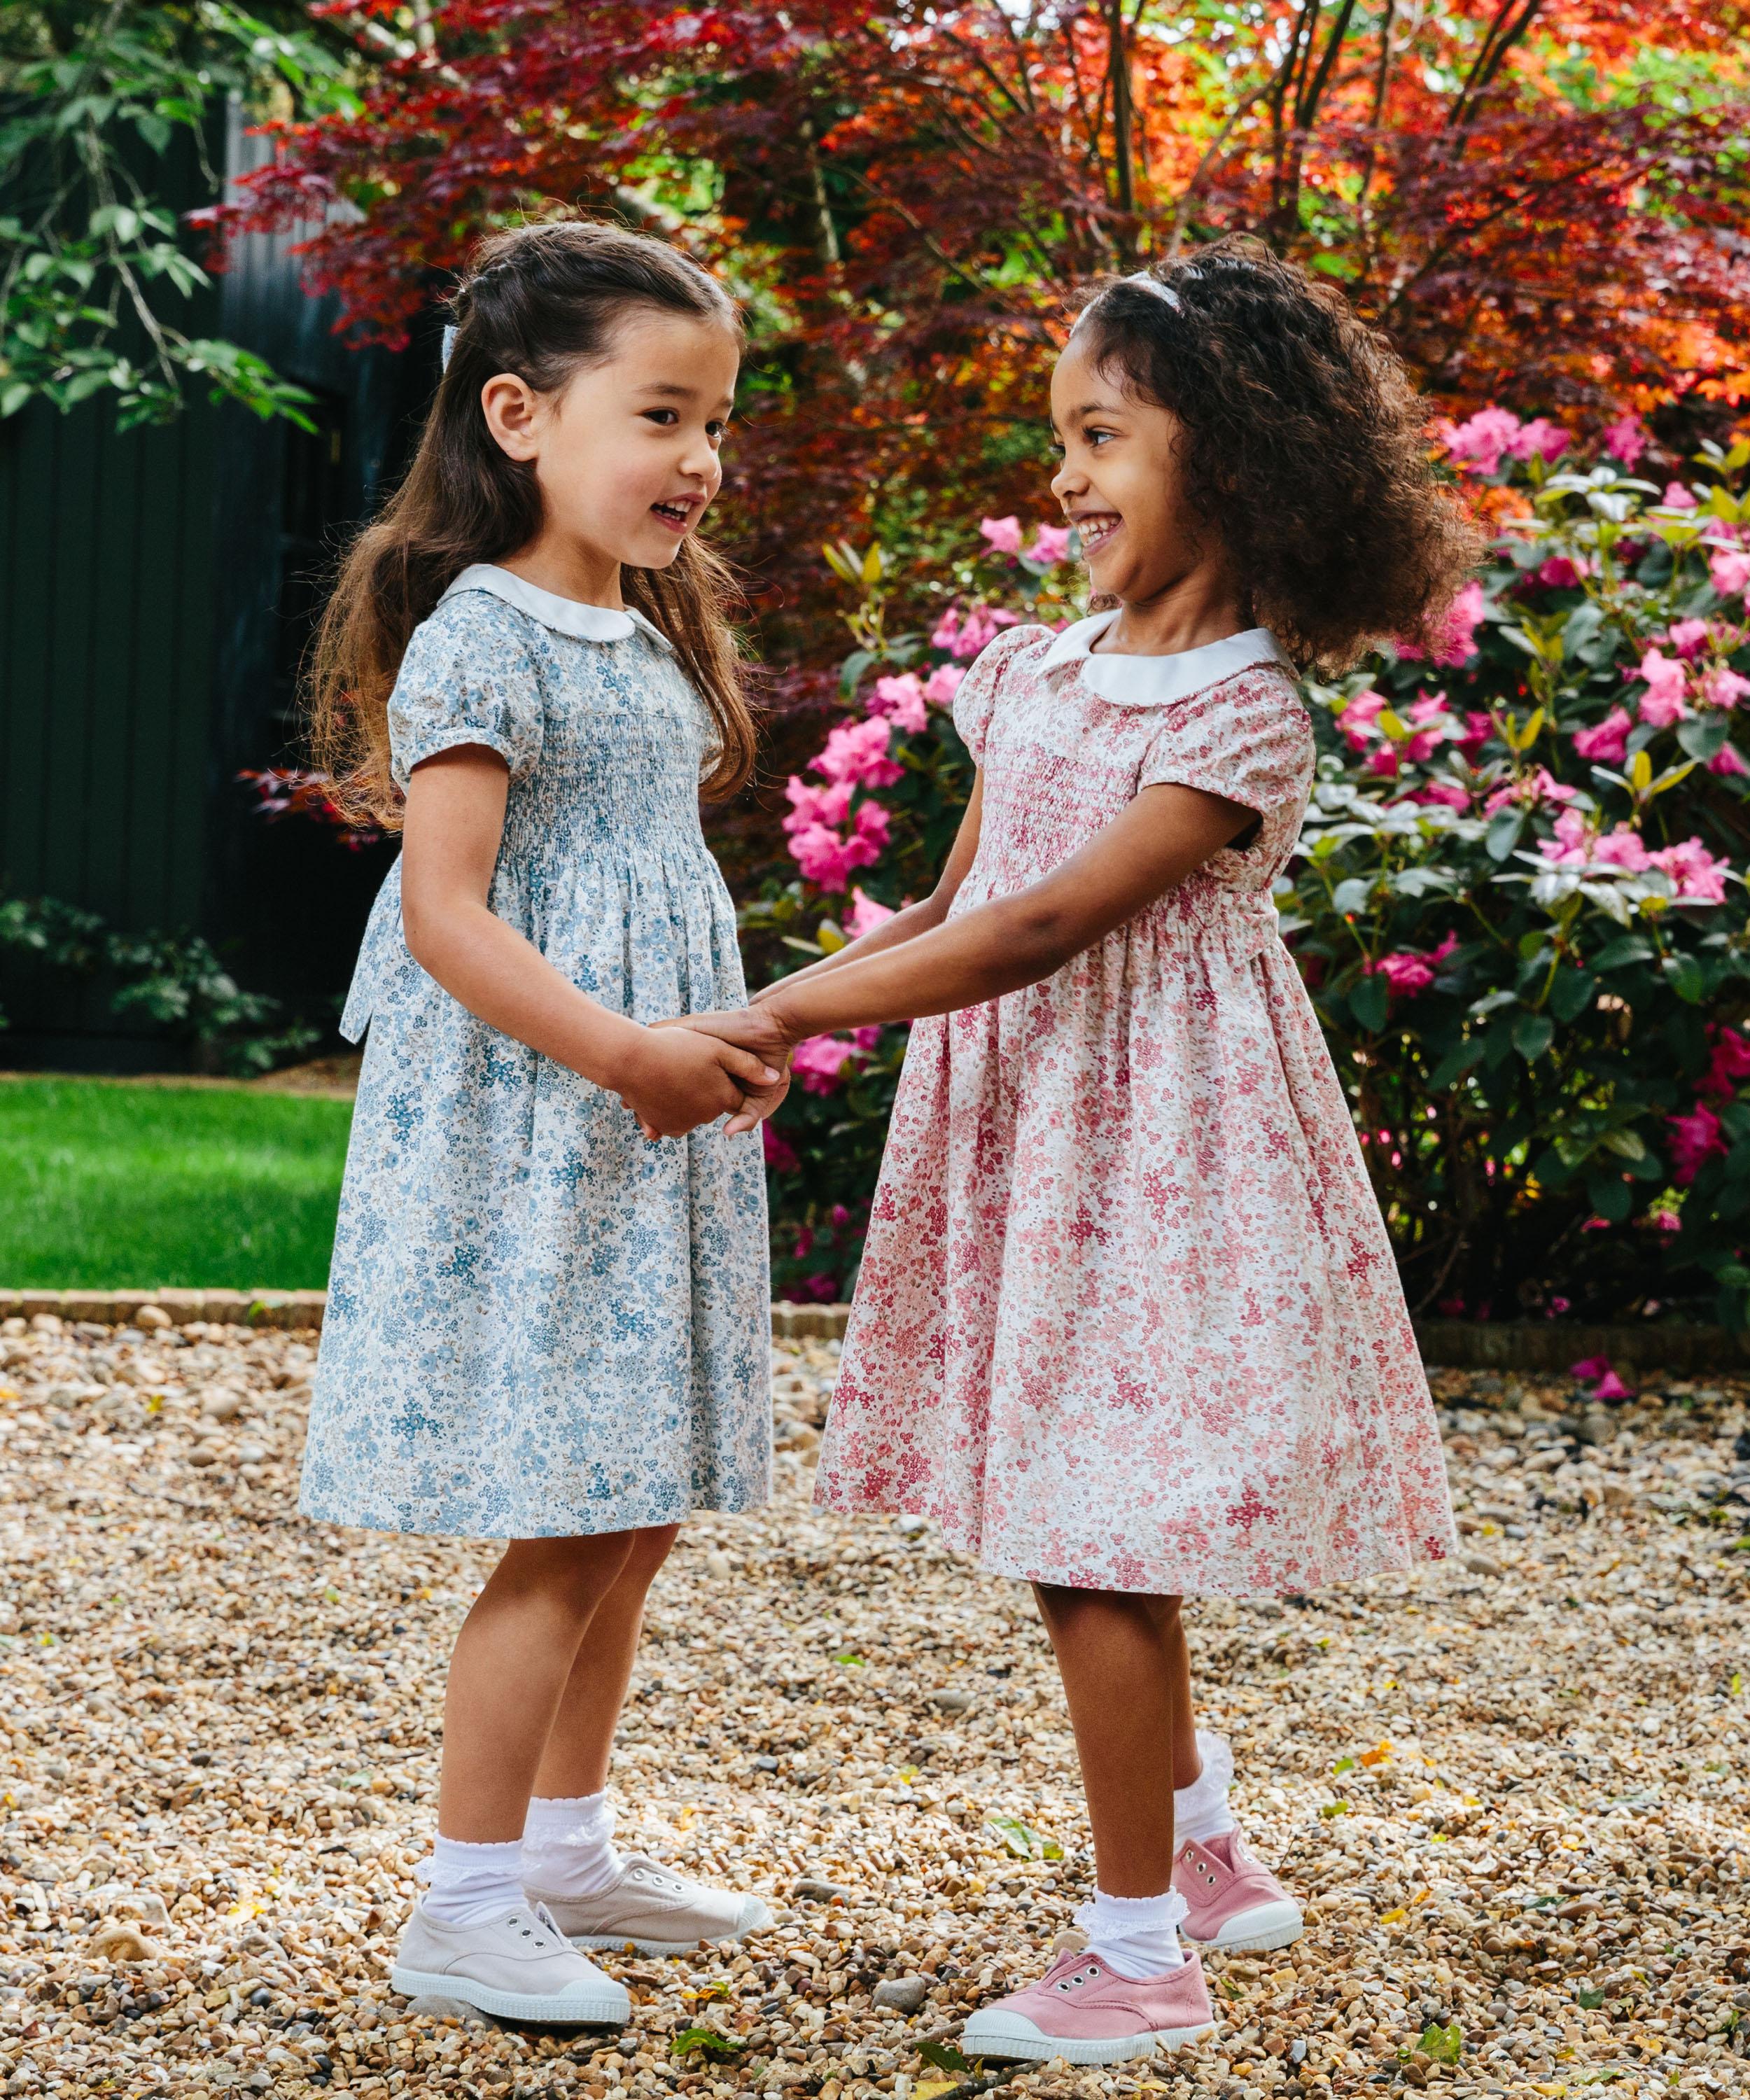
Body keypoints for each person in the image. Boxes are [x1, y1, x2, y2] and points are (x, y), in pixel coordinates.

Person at [675, 238, 1479, 2065]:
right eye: (1062, 437)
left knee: (1100, 1537)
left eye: (1101, 432)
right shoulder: (1044, 668)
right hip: (1032, 1149)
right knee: (1068, 1521)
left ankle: (1134, 1963)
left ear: (1234, 450)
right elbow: (954, 901)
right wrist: (773, 1004)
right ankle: (1197, 1861)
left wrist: (794, 1013)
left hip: (1159, 1173)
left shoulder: (1234, 713)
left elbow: (1041, 932)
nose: (1063, 473)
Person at [298, 221, 788, 2024]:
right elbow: (448, 917)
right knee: (571, 1507)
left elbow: (650, 883)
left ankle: (567, 1846)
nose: (701, 458)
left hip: (636, 1110)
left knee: (635, 1497)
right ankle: (464, 1897)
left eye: (715, 421)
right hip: (549, 1123)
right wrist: (632, 1055)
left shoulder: (641, 630)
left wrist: (722, 1033)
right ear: (517, 414)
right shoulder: (481, 635)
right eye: (661, 413)